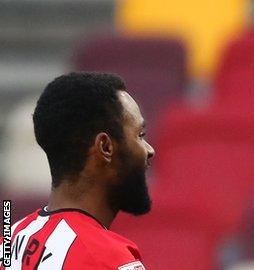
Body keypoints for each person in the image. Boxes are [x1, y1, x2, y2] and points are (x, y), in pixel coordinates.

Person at [4, 72, 154, 269]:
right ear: (105, 147)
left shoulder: (9, 242)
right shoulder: (108, 258)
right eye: (140, 135)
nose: (150, 150)